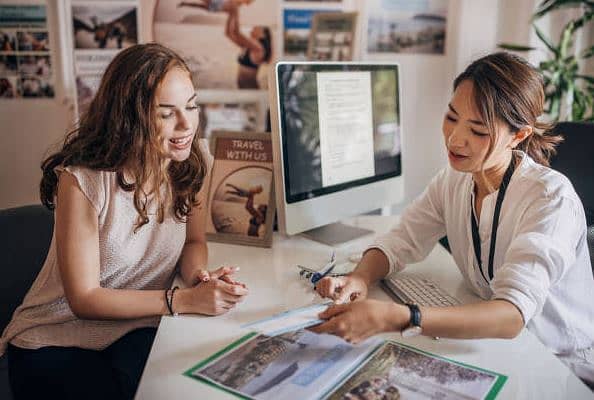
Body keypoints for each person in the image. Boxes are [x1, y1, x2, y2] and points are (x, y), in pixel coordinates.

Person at [313, 52, 594, 387]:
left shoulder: (550, 199)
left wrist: (402, 317)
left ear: (519, 135)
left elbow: (511, 316)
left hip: (556, 365)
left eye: (478, 130)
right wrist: (360, 277)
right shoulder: (455, 178)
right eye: (451, 117)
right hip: (489, 347)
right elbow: (402, 239)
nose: (455, 139)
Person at [0, 43, 249, 400]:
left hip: (139, 324)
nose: (187, 124)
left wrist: (199, 279)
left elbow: (194, 243)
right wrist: (183, 300)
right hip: (57, 336)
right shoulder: (82, 180)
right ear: (129, 117)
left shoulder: (194, 161)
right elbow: (84, 300)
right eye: (166, 113)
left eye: (191, 106)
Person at [224, 3, 272, 89]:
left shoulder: (258, 48)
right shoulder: (248, 47)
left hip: (251, 90)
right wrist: (231, 15)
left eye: (256, 28)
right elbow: (229, 33)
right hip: (242, 89)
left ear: (263, 35)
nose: (252, 29)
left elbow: (237, 33)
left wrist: (235, 12)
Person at [177, 0, 253, 13]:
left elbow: (227, 10)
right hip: (217, 5)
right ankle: (184, 4)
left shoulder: (238, 6)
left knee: (198, 6)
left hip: (216, 7)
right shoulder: (238, 4)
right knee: (199, 5)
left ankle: (184, 4)